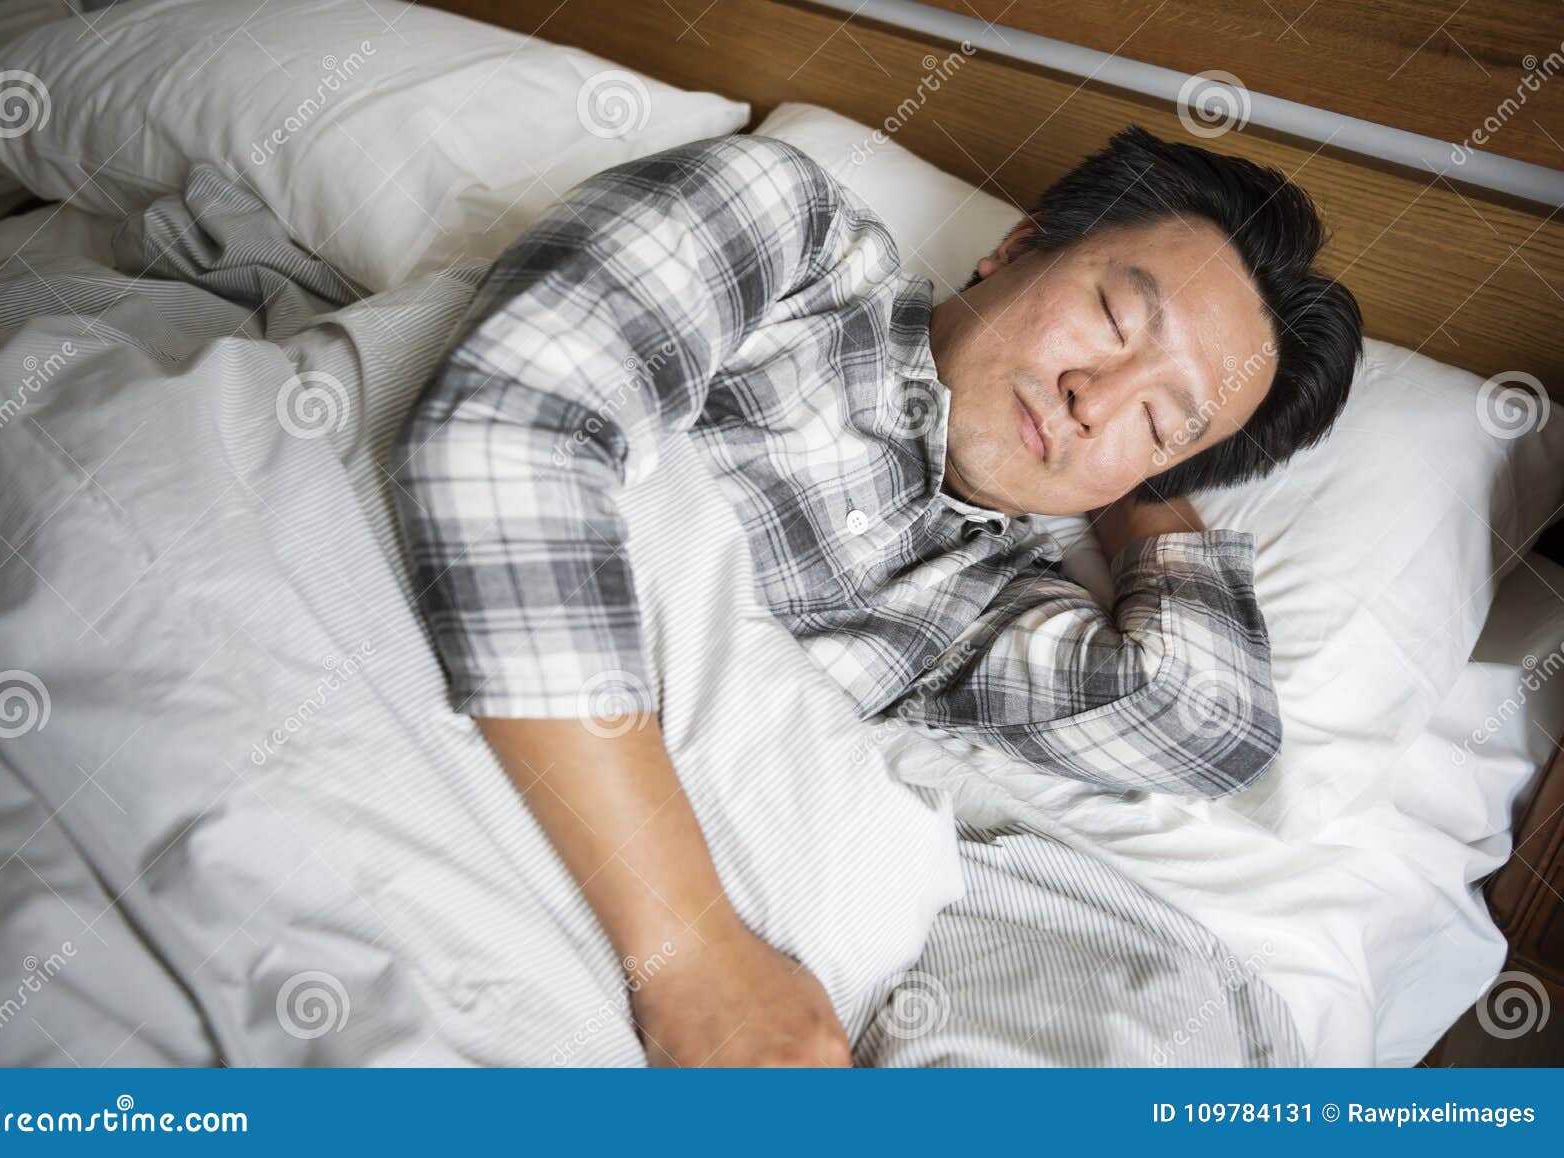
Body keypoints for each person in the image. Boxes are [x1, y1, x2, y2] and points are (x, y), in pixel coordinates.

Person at [389, 125, 1363, 1068]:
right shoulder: (791, 241)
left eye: (1156, 421)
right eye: (1113, 321)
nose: (1093, 398)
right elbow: (508, 438)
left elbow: (1209, 722)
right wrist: (692, 952)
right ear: (1017, 247)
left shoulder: (975, 611)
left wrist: (1130, 485)